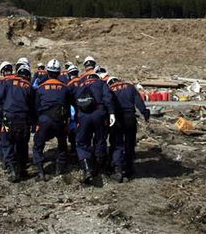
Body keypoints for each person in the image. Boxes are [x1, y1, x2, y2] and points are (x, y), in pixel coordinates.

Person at [69, 55, 114, 184]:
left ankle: (87, 169)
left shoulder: (79, 83)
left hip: (83, 116)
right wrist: (111, 113)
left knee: (82, 143)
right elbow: (107, 98)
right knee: (100, 140)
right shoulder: (101, 82)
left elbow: (71, 97)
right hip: (100, 114)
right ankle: (99, 168)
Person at [0, 63, 34, 182]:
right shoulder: (29, 86)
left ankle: (13, 169)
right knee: (22, 143)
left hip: (8, 120)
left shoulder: (7, 83)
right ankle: (21, 168)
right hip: (23, 121)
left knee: (7, 142)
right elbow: (33, 106)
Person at [107, 76, 150, 182]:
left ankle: (118, 170)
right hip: (130, 117)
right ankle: (129, 168)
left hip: (117, 119)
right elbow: (139, 101)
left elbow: (108, 104)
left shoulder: (109, 89)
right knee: (130, 142)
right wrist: (145, 113)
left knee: (117, 144)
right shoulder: (130, 87)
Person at [32, 59, 69, 180]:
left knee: (38, 145)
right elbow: (68, 106)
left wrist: (36, 123)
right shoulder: (64, 87)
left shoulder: (41, 87)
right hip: (60, 119)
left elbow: (36, 107)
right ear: (59, 72)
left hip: (44, 119)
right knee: (62, 144)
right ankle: (59, 169)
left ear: (47, 71)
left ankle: (41, 172)